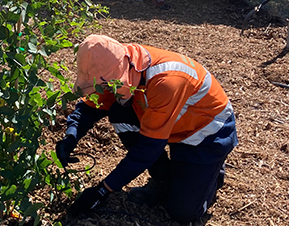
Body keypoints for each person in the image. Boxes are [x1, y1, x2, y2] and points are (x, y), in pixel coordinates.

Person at [57, 35, 237, 223]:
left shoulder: (167, 82)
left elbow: (147, 150)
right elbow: (89, 107)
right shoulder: (114, 62)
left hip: (205, 133)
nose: (104, 90)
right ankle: (163, 179)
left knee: (183, 213)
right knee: (120, 112)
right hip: (171, 125)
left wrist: (103, 190)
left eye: (104, 86)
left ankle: (213, 172)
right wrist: (70, 136)